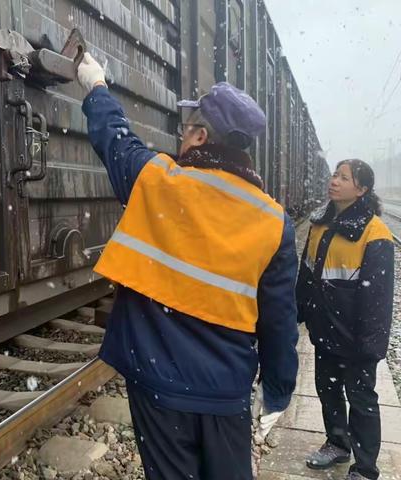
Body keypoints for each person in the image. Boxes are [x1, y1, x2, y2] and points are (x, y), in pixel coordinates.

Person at [77, 53, 299, 480]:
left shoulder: (159, 182)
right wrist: (277, 390)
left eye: (185, 129)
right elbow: (279, 319)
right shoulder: (273, 220)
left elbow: (116, 141)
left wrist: (96, 87)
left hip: (158, 382)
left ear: (199, 136)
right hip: (226, 390)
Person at [296, 159, 395, 480]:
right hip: (324, 328)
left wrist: (370, 345)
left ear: (362, 189)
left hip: (355, 335)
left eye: (344, 177)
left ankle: (365, 468)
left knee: (362, 399)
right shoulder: (320, 223)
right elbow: (307, 275)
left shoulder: (374, 232)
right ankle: (337, 444)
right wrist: (298, 315)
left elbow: (379, 297)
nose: (334, 181)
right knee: (327, 389)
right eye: (334, 175)